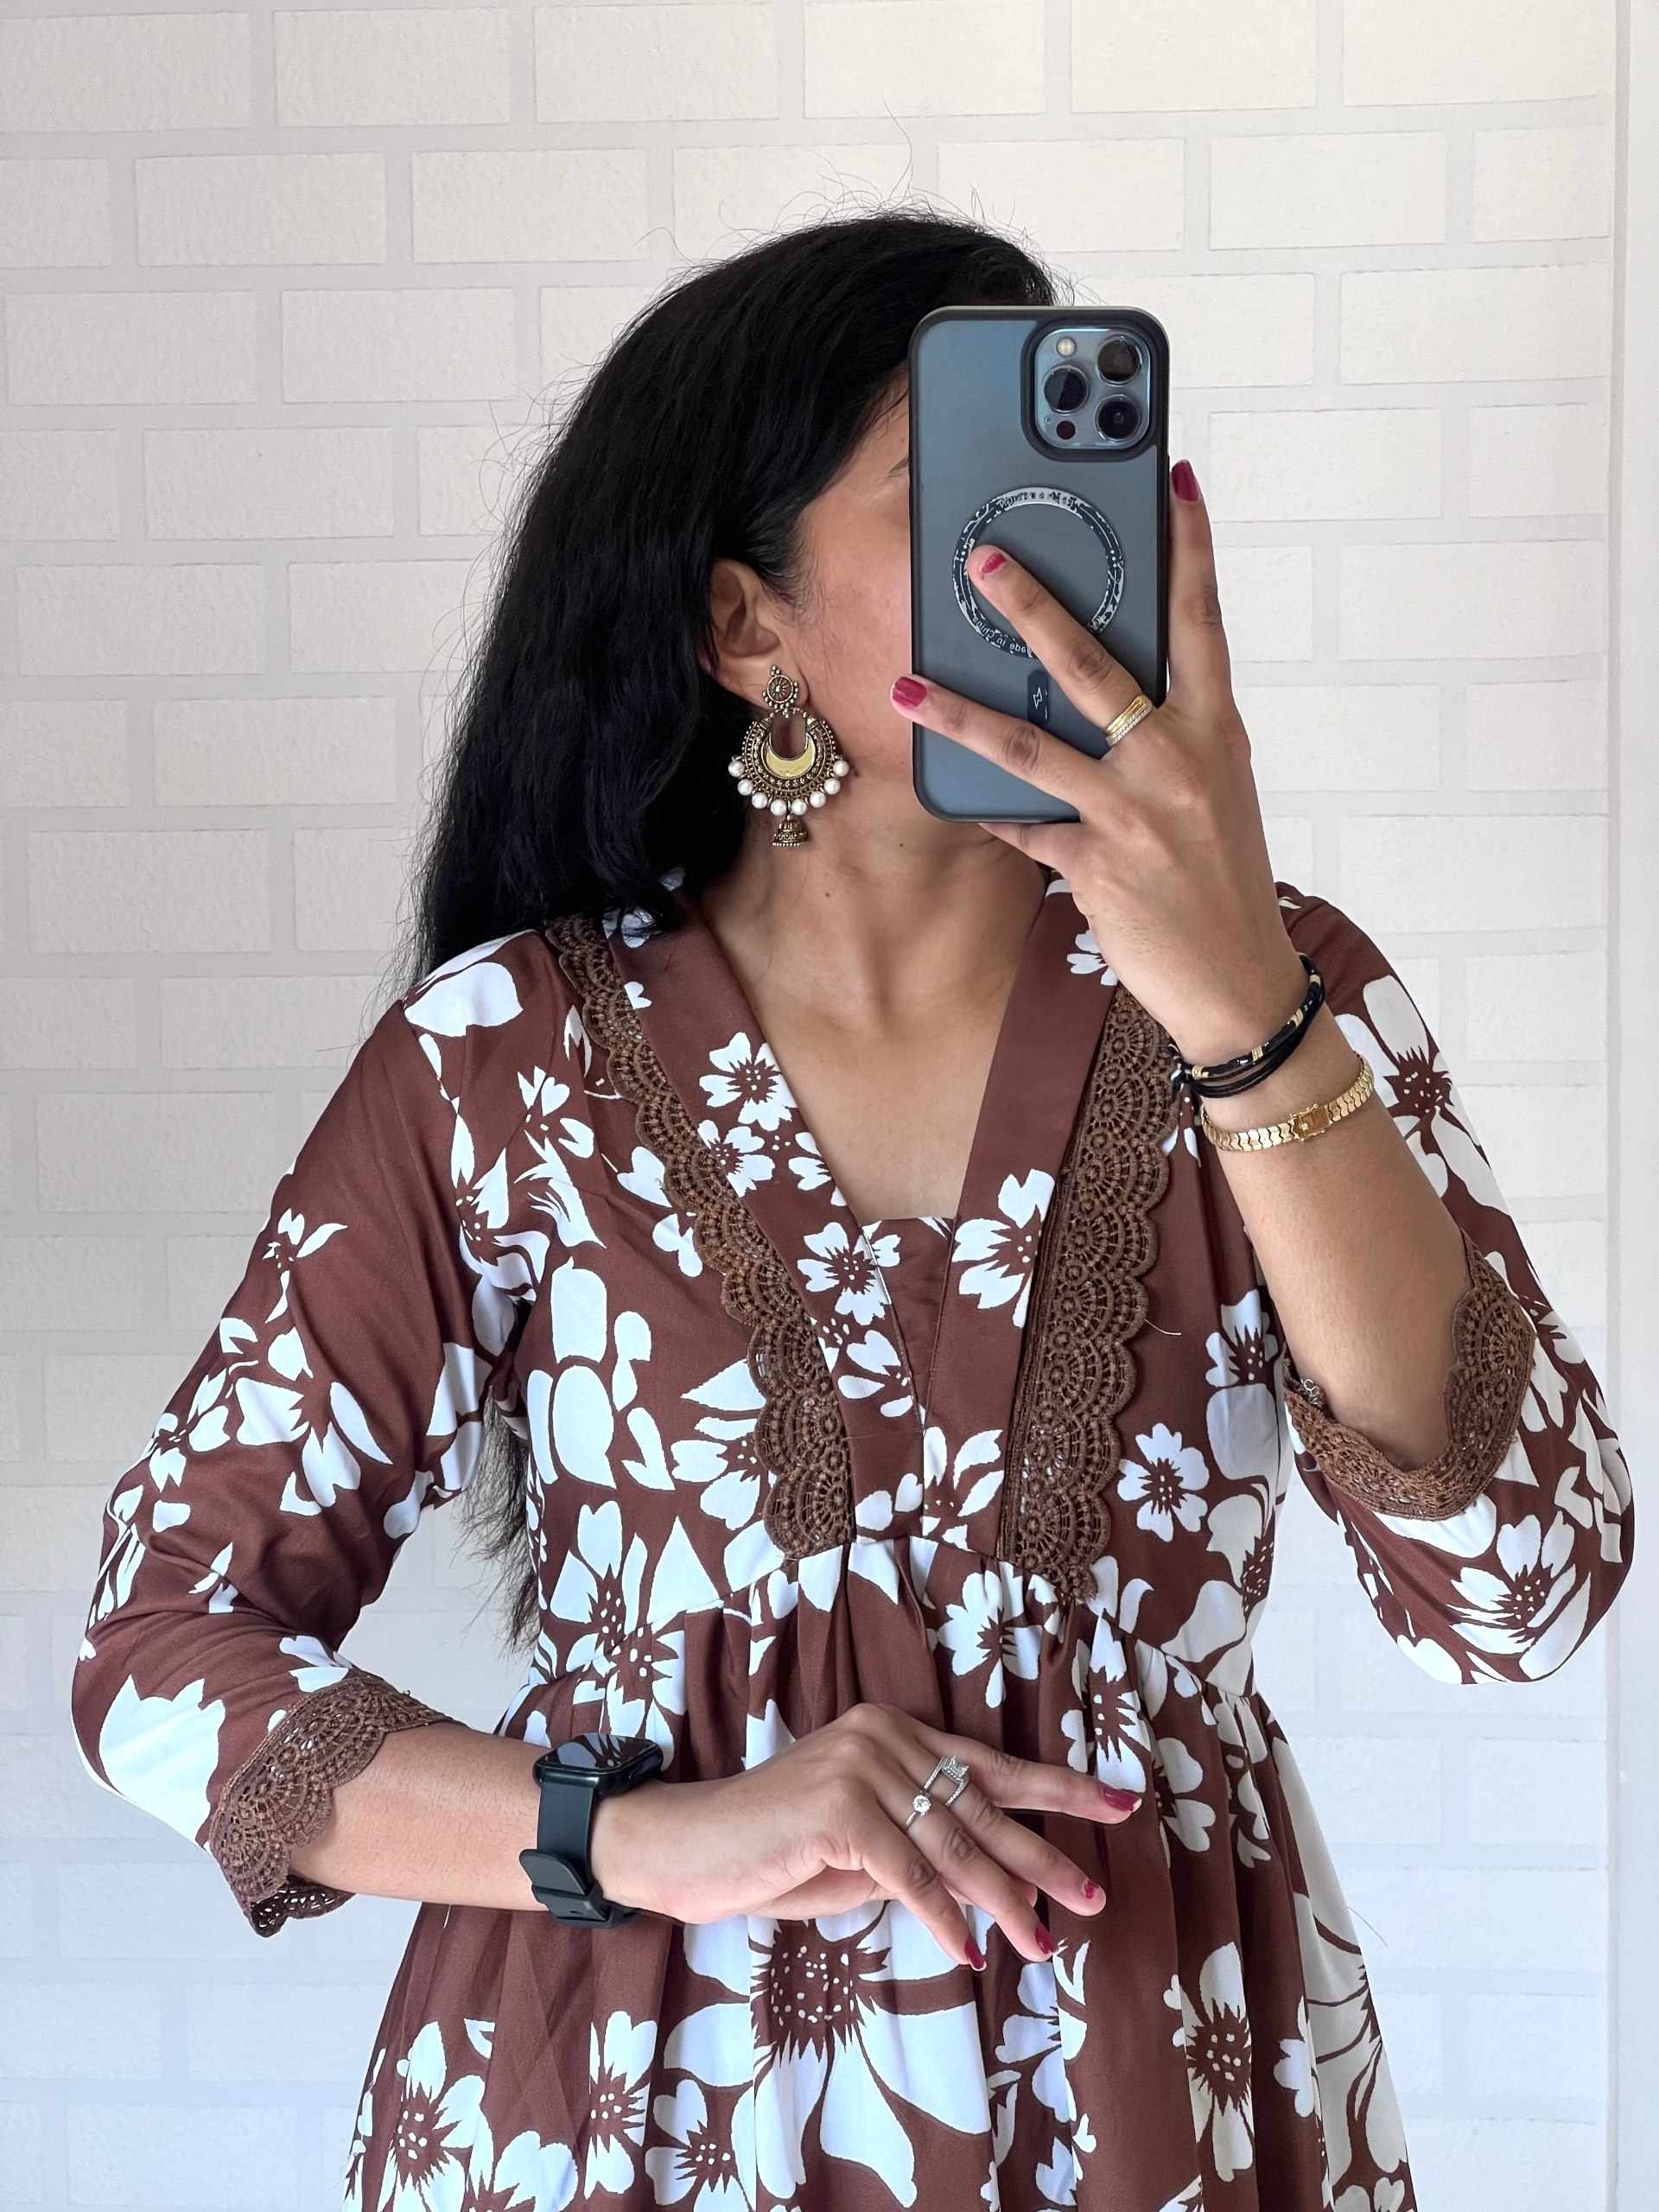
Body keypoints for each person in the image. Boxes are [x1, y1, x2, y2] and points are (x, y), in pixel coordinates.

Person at [68, 207, 1635, 2212]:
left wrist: (1247, 1008)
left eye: (1077, 487)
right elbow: (163, 1654)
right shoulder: (505, 1059)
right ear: (749, 630)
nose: (1047, 545)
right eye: (958, 486)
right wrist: (644, 1832)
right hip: (618, 2113)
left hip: (1161, 2102)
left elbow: (1527, 1589)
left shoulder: (1289, 992)